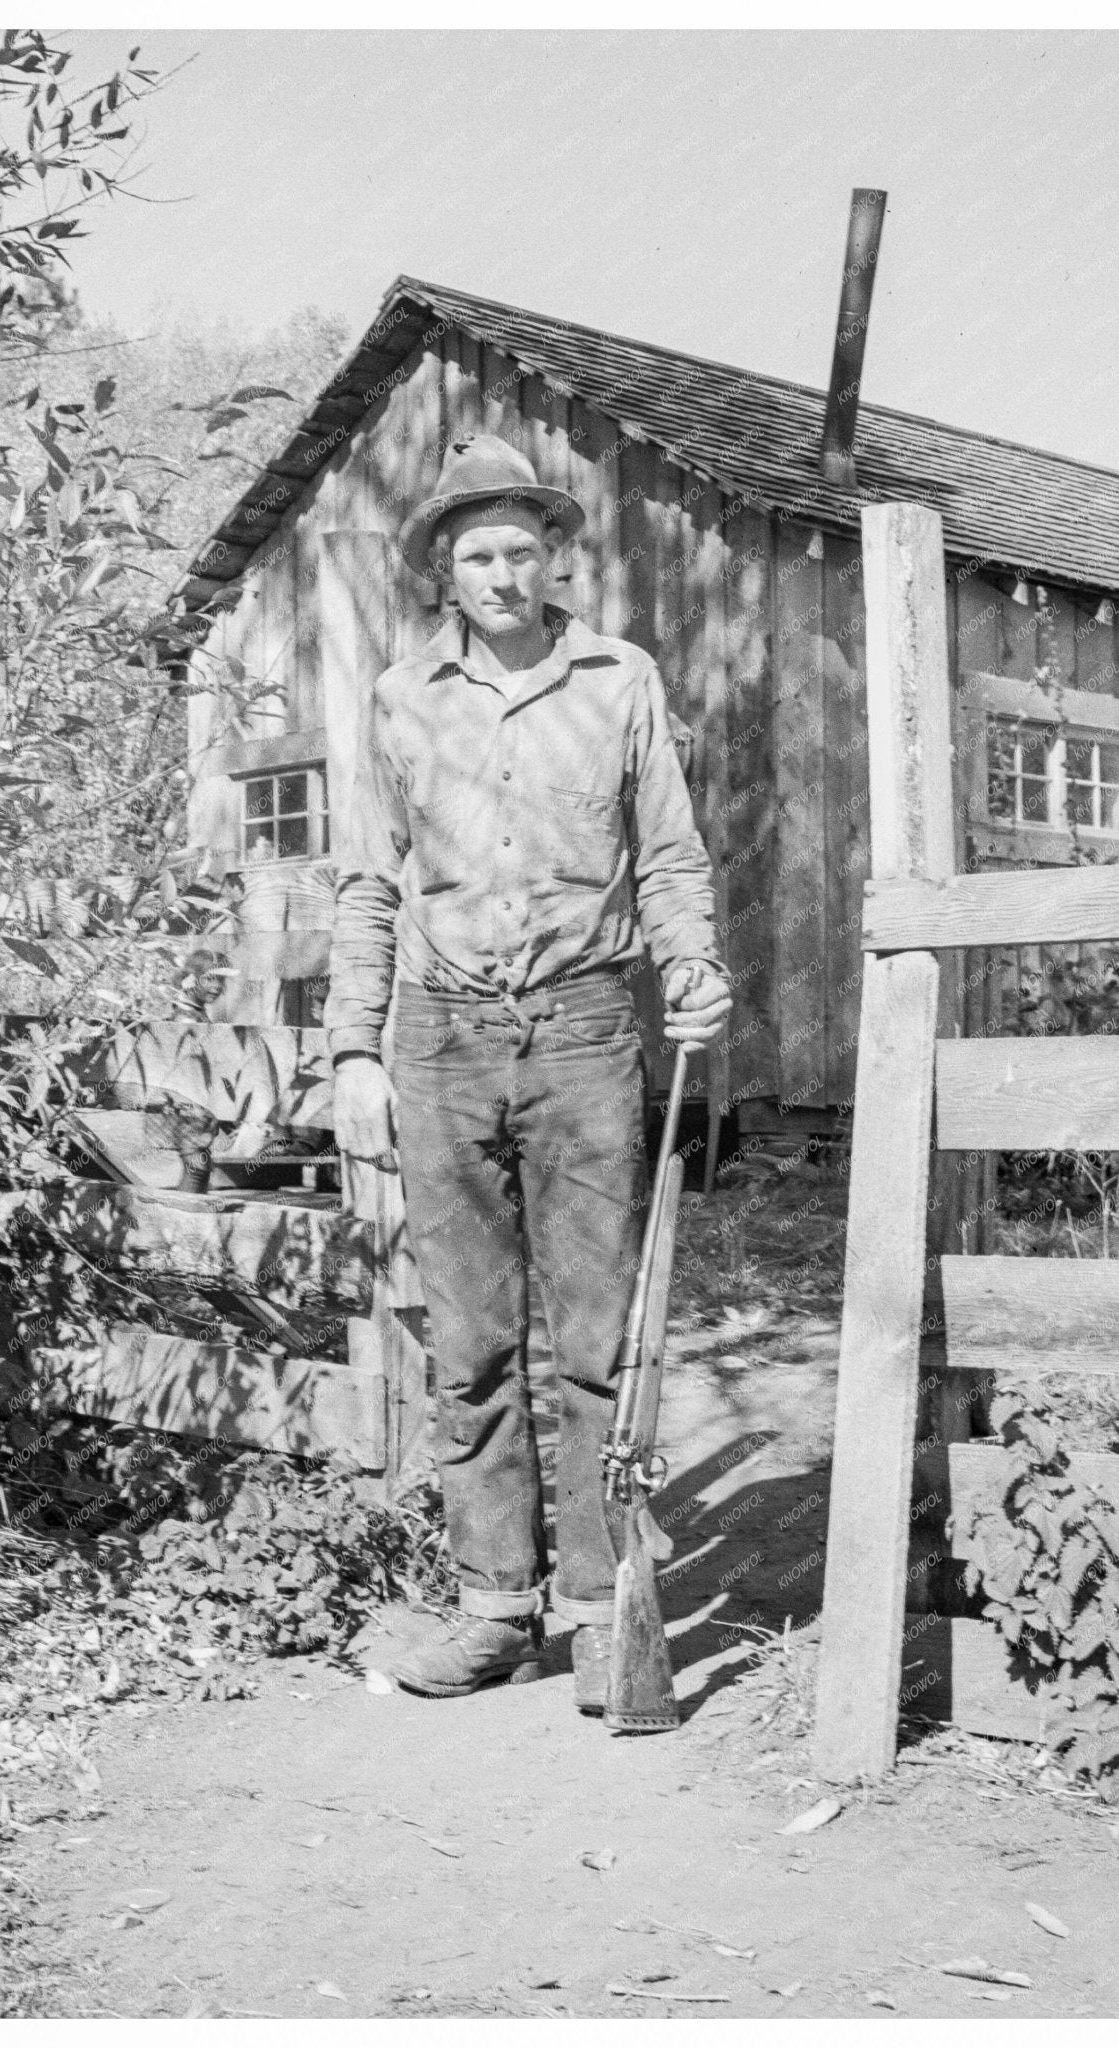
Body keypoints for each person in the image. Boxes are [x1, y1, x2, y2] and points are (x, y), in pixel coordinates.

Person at [326, 431, 731, 1710]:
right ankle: (494, 1607)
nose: (501, 574)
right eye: (476, 555)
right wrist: (350, 1051)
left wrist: (692, 965)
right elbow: (366, 884)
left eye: (521, 551)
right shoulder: (398, 699)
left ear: (556, 559)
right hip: (438, 1039)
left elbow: (667, 852)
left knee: (599, 1341)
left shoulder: (620, 682)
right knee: (469, 1343)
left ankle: (605, 1614)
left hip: (585, 1030)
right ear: (445, 570)